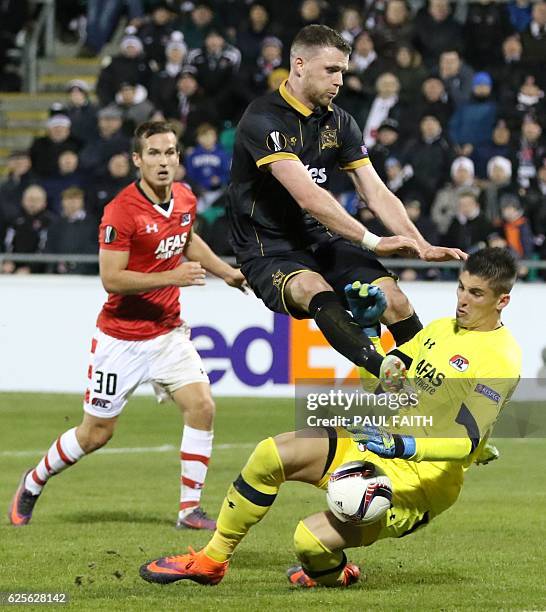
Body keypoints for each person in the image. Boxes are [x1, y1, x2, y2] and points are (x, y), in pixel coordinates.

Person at [139, 247, 522, 588]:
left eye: (476, 294)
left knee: (308, 541)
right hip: (377, 444)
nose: (462, 301)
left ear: (502, 300)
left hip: (421, 483)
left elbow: (466, 442)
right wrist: (371, 333)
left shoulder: (501, 359)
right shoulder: (441, 329)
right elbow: (383, 389)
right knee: (271, 453)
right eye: (460, 287)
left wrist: (402, 445)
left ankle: (335, 573)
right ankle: (211, 560)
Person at [8, 121, 246, 531]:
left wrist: (226, 272)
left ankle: (189, 510)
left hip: (168, 332)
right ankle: (33, 480)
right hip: (122, 338)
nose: (163, 161)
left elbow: (186, 239)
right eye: (153, 153)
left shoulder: (185, 198)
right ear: (137, 160)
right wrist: (173, 277)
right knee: (96, 434)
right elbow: (112, 278)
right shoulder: (121, 210)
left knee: (202, 406)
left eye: (170, 152)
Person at [227, 24, 464, 378]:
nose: (339, 80)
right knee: (313, 288)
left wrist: (421, 244)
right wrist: (373, 241)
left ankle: (429, 390)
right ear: (300, 64)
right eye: (331, 70)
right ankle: (385, 372)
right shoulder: (264, 119)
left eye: (343, 71)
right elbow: (308, 196)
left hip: (320, 238)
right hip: (267, 247)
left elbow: (376, 191)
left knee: (394, 300)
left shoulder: (340, 122)